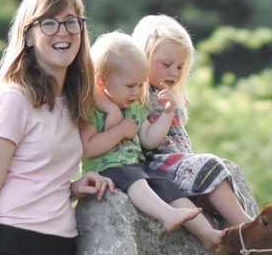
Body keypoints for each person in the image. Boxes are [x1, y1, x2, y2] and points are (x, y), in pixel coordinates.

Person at [0, 0, 116, 255]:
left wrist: (72, 188)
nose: (62, 32)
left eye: (71, 22)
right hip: (12, 251)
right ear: (30, 36)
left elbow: (32, 177)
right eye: (49, 23)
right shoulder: (13, 100)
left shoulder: (75, 103)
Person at [131, 14, 253, 255]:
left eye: (179, 66)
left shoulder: (169, 96)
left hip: (178, 162)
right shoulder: (137, 95)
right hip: (157, 163)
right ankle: (248, 225)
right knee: (209, 165)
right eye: (166, 64)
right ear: (143, 56)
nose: (173, 72)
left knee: (223, 184)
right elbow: (148, 141)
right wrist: (166, 112)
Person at [79, 31, 213, 237]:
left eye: (141, 85)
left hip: (137, 167)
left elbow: (149, 140)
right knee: (135, 178)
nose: (136, 92)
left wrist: (167, 113)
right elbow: (88, 148)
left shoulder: (135, 108)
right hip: (106, 169)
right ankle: (167, 215)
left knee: (166, 184)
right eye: (130, 86)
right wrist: (120, 130)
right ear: (101, 82)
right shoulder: (91, 110)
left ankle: (207, 233)